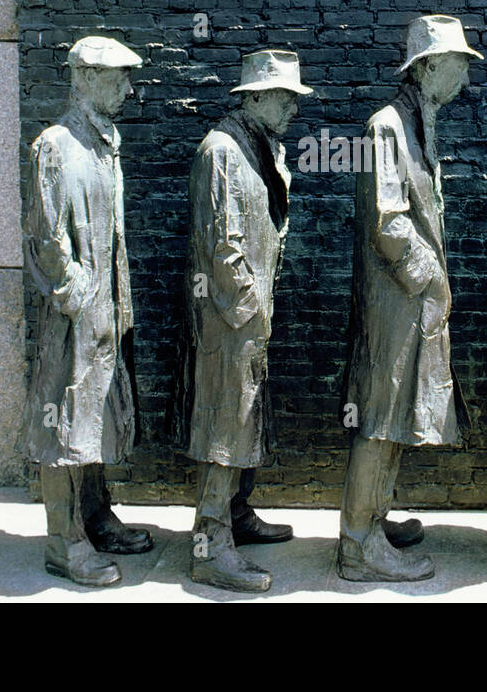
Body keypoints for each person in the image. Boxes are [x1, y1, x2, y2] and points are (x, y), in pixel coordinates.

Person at [339, 14, 482, 582]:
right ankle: (357, 544)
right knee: (380, 416)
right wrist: (433, 278)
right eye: (457, 64)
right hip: (394, 304)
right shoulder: (387, 127)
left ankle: (374, 517)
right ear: (426, 66)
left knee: (395, 414)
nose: (464, 78)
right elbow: (389, 223)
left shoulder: (418, 123)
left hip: (409, 302)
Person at [174, 50, 312, 593]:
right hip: (228, 319)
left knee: (245, 415)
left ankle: (236, 512)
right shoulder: (222, 150)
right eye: (283, 97)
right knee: (224, 422)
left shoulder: (258, 147)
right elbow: (222, 248)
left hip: (248, 316)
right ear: (253, 97)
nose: (292, 107)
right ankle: (210, 545)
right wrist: (252, 313)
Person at [20, 35, 152, 587]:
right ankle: (63, 540)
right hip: (74, 313)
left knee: (94, 412)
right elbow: (46, 235)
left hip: (104, 309)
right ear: (85, 77)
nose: (128, 87)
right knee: (64, 415)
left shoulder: (104, 141)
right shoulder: (56, 144)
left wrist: (111, 303)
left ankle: (96, 516)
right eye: (118, 76)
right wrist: (78, 296)